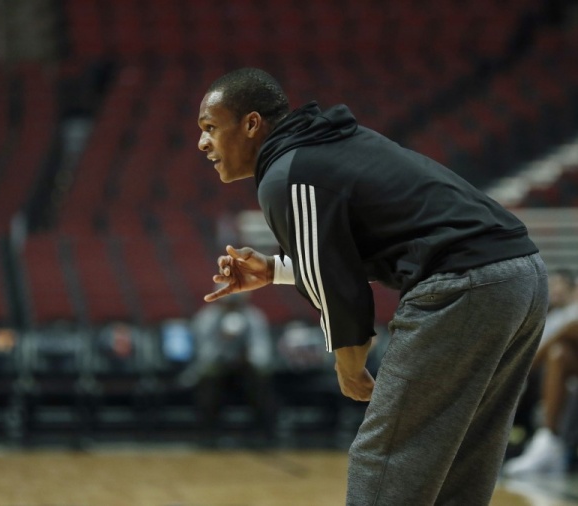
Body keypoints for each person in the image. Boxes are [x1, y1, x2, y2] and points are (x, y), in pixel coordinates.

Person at [196, 67, 548, 505]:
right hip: (521, 276)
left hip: (466, 284)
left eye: (210, 127)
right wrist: (275, 270)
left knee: (385, 457)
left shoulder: (286, 173)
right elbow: (347, 255)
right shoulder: (327, 144)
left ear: (251, 124)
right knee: (464, 460)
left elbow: (337, 286)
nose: (202, 143)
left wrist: (349, 363)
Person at [503, 269, 578, 475]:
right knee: (559, 354)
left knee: (569, 332)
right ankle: (549, 442)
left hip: (535, 369)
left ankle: (520, 371)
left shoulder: (569, 313)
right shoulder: (551, 314)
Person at [180, 290, 274, 446]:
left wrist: (248, 359)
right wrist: (222, 343)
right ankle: (208, 434)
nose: (232, 304)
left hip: (245, 368)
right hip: (216, 368)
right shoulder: (206, 318)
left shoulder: (254, 317)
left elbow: (261, 349)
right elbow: (204, 353)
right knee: (208, 390)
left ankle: (264, 434)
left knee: (261, 387)